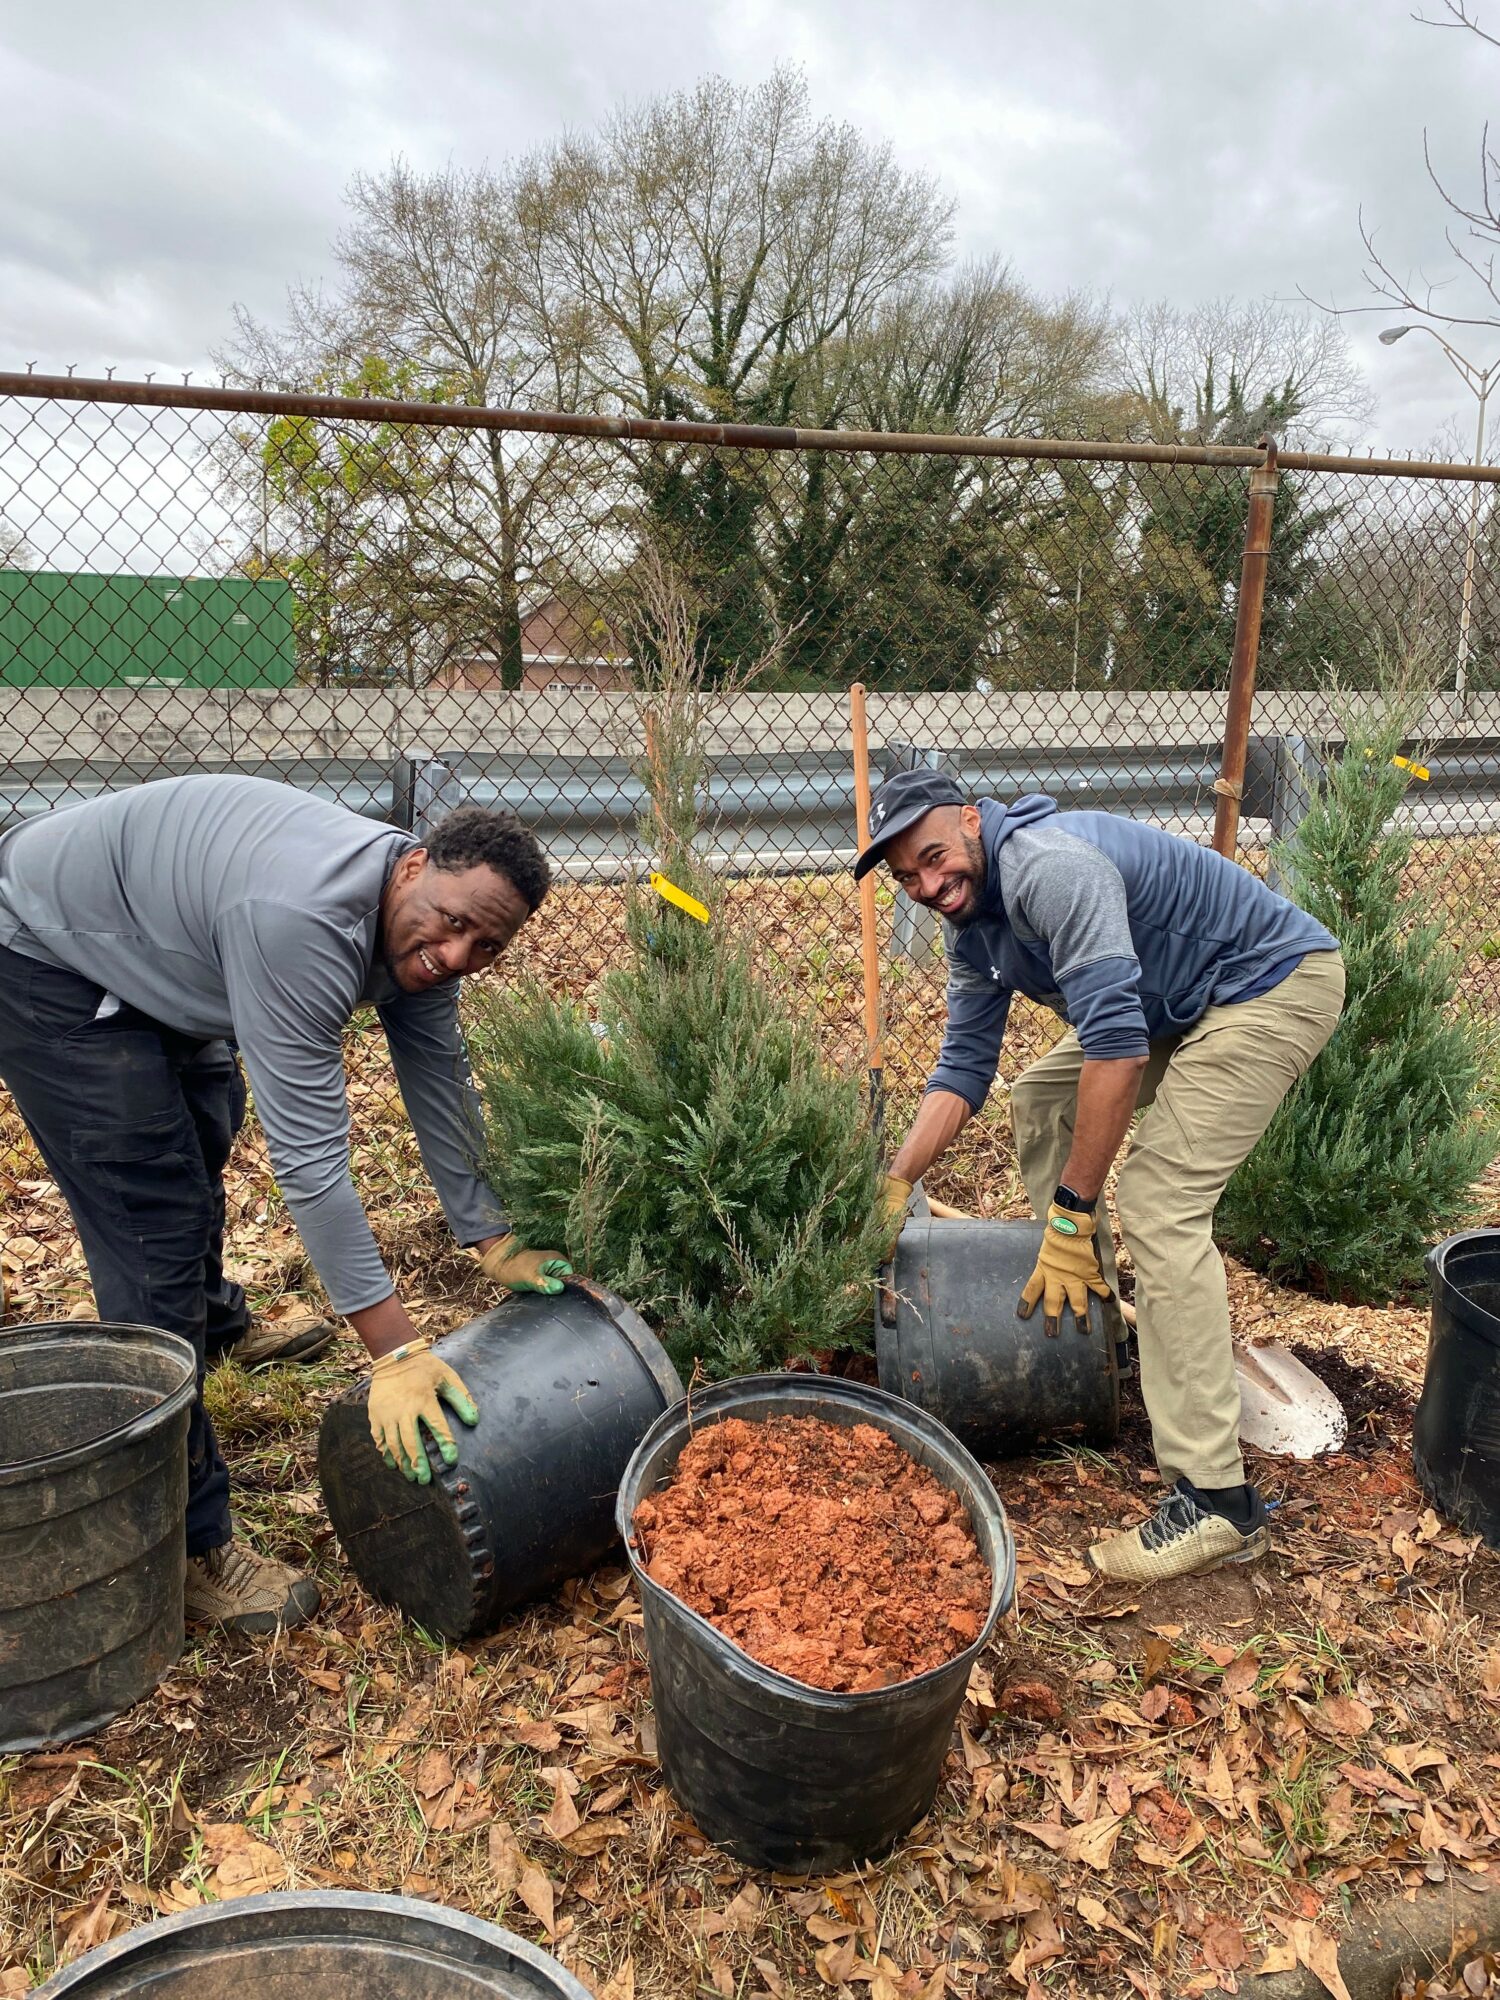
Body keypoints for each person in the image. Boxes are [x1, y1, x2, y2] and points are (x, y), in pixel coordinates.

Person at [0, 776, 570, 1632]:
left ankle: (213, 1324)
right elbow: (309, 1162)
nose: (456, 955)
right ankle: (187, 1546)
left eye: (484, 946)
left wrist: (489, 1234)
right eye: (452, 923)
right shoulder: (303, 922)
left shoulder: (415, 925)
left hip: (162, 942)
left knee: (201, 1127)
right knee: (150, 1212)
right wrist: (394, 1352)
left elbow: (439, 1082)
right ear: (413, 865)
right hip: (48, 952)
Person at [860, 768, 1344, 1584]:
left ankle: (1216, 1503)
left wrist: (1067, 1213)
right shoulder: (972, 922)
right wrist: (897, 1182)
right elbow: (966, 1067)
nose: (928, 885)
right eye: (907, 877)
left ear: (974, 822)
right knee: (1041, 1097)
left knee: (1161, 1202)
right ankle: (1102, 1317)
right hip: (1172, 997)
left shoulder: (1054, 869)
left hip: (1268, 983)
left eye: (935, 857)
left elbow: (1116, 1049)